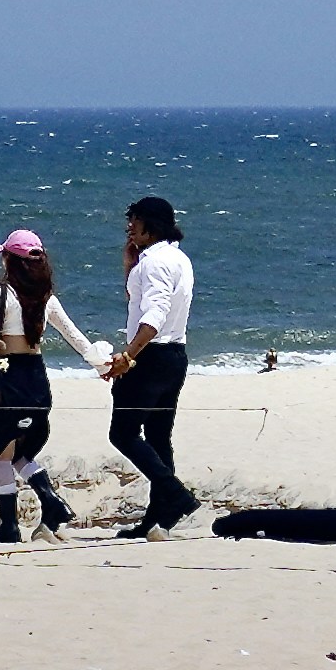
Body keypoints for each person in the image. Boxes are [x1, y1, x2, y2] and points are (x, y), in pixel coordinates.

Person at [0, 232, 80, 544]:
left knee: (1, 453)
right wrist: (103, 364)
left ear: (11, 260)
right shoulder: (46, 297)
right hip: (37, 380)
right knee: (18, 452)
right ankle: (48, 500)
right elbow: (74, 335)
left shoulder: (2, 294)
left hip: (8, 376)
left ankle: (12, 525)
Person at [99, 194, 199, 538]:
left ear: (151, 225)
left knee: (122, 433)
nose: (130, 225)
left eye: (136, 219)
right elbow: (143, 303)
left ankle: (176, 494)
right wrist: (130, 266)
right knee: (158, 437)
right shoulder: (178, 259)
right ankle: (157, 520)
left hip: (152, 356)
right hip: (176, 356)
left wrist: (129, 355)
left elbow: (152, 316)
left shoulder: (154, 263)